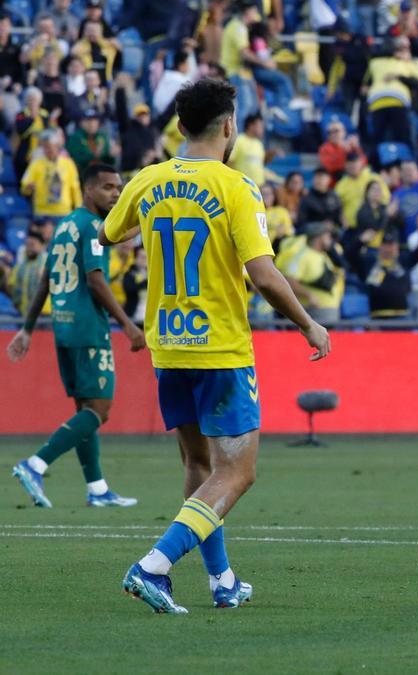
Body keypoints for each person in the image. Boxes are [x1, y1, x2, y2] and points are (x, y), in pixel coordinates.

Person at [100, 78, 331, 613]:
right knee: (239, 471)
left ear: (179, 127)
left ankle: (222, 580)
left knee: (199, 466)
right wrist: (309, 325)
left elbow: (112, 233)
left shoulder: (146, 179)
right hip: (221, 350)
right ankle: (153, 566)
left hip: (169, 347)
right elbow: (265, 276)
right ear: (229, 126)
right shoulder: (237, 187)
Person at [8, 163, 144, 509]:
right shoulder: (94, 226)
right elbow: (96, 279)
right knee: (100, 409)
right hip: (87, 326)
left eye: (119, 187)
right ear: (88, 190)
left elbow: (46, 280)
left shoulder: (65, 224)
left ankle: (97, 489)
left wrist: (26, 328)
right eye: (109, 187)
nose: (116, 193)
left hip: (63, 326)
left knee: (85, 407)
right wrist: (128, 325)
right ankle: (35, 464)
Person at [283, 222, 344, 324]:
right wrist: (309, 296)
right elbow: (290, 282)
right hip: (313, 312)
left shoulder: (326, 256)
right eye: (327, 235)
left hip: (331, 311)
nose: (330, 239)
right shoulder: (303, 256)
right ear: (318, 237)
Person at [21, 129, 82, 220]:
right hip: (42, 212)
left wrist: (78, 207)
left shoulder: (68, 164)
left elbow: (75, 188)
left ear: (57, 146)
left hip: (63, 212)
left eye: (50, 146)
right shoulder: (35, 164)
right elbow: (24, 187)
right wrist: (28, 188)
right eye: (45, 147)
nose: (48, 150)